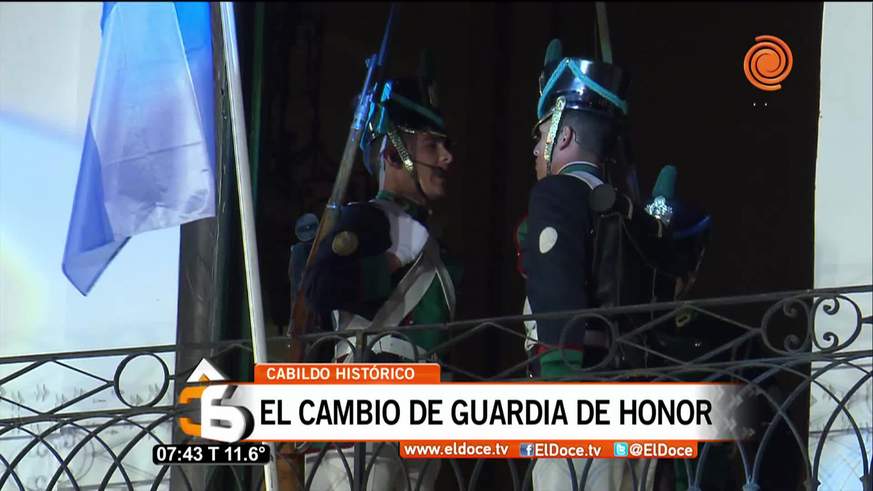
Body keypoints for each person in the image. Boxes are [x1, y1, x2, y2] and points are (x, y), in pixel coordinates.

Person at [516, 38, 709, 491]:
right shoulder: (633, 215)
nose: (536, 147)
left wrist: (561, 396)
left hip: (580, 403)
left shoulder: (558, 194)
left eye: (540, 134)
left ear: (562, 134)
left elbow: (558, 296)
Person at [301, 52, 459, 491]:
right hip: (366, 405)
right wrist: (391, 260)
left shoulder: (438, 244)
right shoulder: (367, 220)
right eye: (432, 145)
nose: (446, 157)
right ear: (394, 154)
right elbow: (320, 288)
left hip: (423, 418)